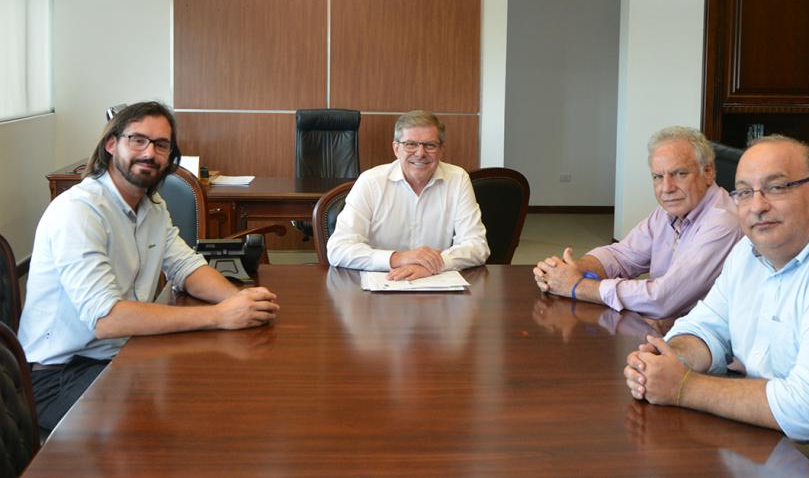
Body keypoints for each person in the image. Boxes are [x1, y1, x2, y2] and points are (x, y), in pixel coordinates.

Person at [623, 135, 809, 442]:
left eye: (776, 188)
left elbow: (808, 411)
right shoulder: (749, 251)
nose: (757, 206)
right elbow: (707, 326)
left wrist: (682, 386)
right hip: (771, 445)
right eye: (745, 193)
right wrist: (670, 359)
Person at [18, 101, 280, 434]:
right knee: (161, 432)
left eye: (161, 145)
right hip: (58, 374)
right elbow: (106, 318)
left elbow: (186, 267)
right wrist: (219, 316)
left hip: (119, 356)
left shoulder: (152, 205)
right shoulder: (79, 211)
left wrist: (237, 302)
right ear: (111, 145)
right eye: (137, 140)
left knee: (214, 395)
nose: (149, 153)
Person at [533, 126, 742, 318]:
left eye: (679, 174)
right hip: (664, 329)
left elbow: (662, 299)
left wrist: (577, 285)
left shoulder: (723, 221)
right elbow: (621, 256)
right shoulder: (667, 212)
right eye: (657, 177)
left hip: (704, 346)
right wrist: (572, 269)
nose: (666, 188)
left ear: (708, 172)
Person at [326, 110, 489, 280]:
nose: (420, 153)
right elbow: (338, 249)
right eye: (410, 144)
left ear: (441, 150)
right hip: (380, 285)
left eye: (430, 145)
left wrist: (433, 266)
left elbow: (477, 246)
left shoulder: (458, 179)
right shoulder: (371, 182)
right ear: (396, 148)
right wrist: (399, 258)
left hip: (435, 286)